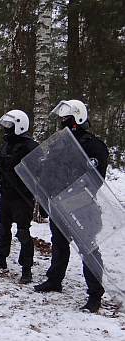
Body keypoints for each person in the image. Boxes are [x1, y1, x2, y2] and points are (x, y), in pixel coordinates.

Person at [34, 99, 109, 313]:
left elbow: (95, 179)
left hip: (81, 204)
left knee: (88, 248)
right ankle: (55, 279)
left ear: (78, 117)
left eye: (67, 119)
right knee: (59, 243)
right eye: (62, 119)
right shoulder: (59, 143)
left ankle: (95, 294)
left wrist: (74, 195)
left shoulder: (93, 145)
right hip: (57, 202)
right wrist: (43, 196)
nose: (63, 122)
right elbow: (48, 171)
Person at [0, 110, 39, 284]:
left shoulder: (31, 146)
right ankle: (1, 257)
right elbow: (2, 167)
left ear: (19, 125)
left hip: (22, 196)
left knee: (23, 232)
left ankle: (26, 269)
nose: (6, 129)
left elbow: (32, 170)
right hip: (6, 194)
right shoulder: (7, 143)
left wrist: (5, 160)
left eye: (10, 126)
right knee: (3, 227)